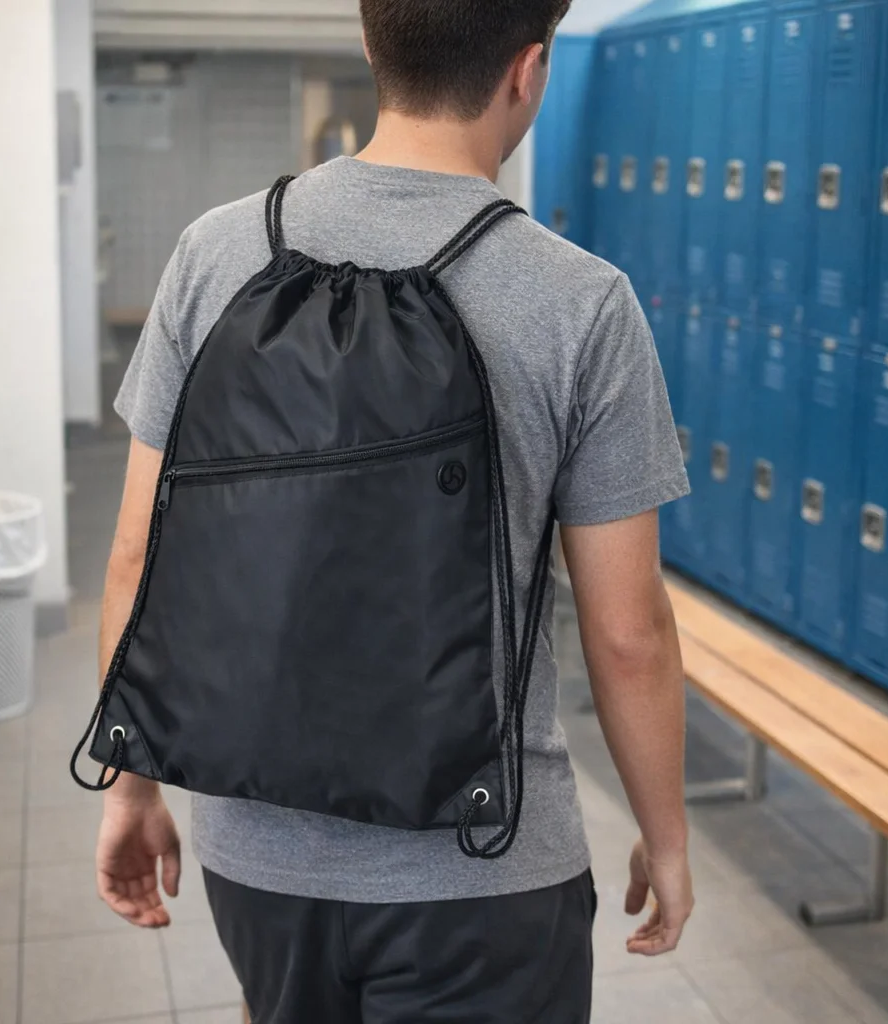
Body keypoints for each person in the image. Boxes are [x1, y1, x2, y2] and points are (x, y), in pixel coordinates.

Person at [92, 1, 694, 1020]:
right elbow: (626, 631)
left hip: (256, 853)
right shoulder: (581, 300)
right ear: (529, 70)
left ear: (373, 46)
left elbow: (139, 555)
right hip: (485, 874)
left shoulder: (214, 251)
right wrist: (666, 835)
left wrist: (131, 787)